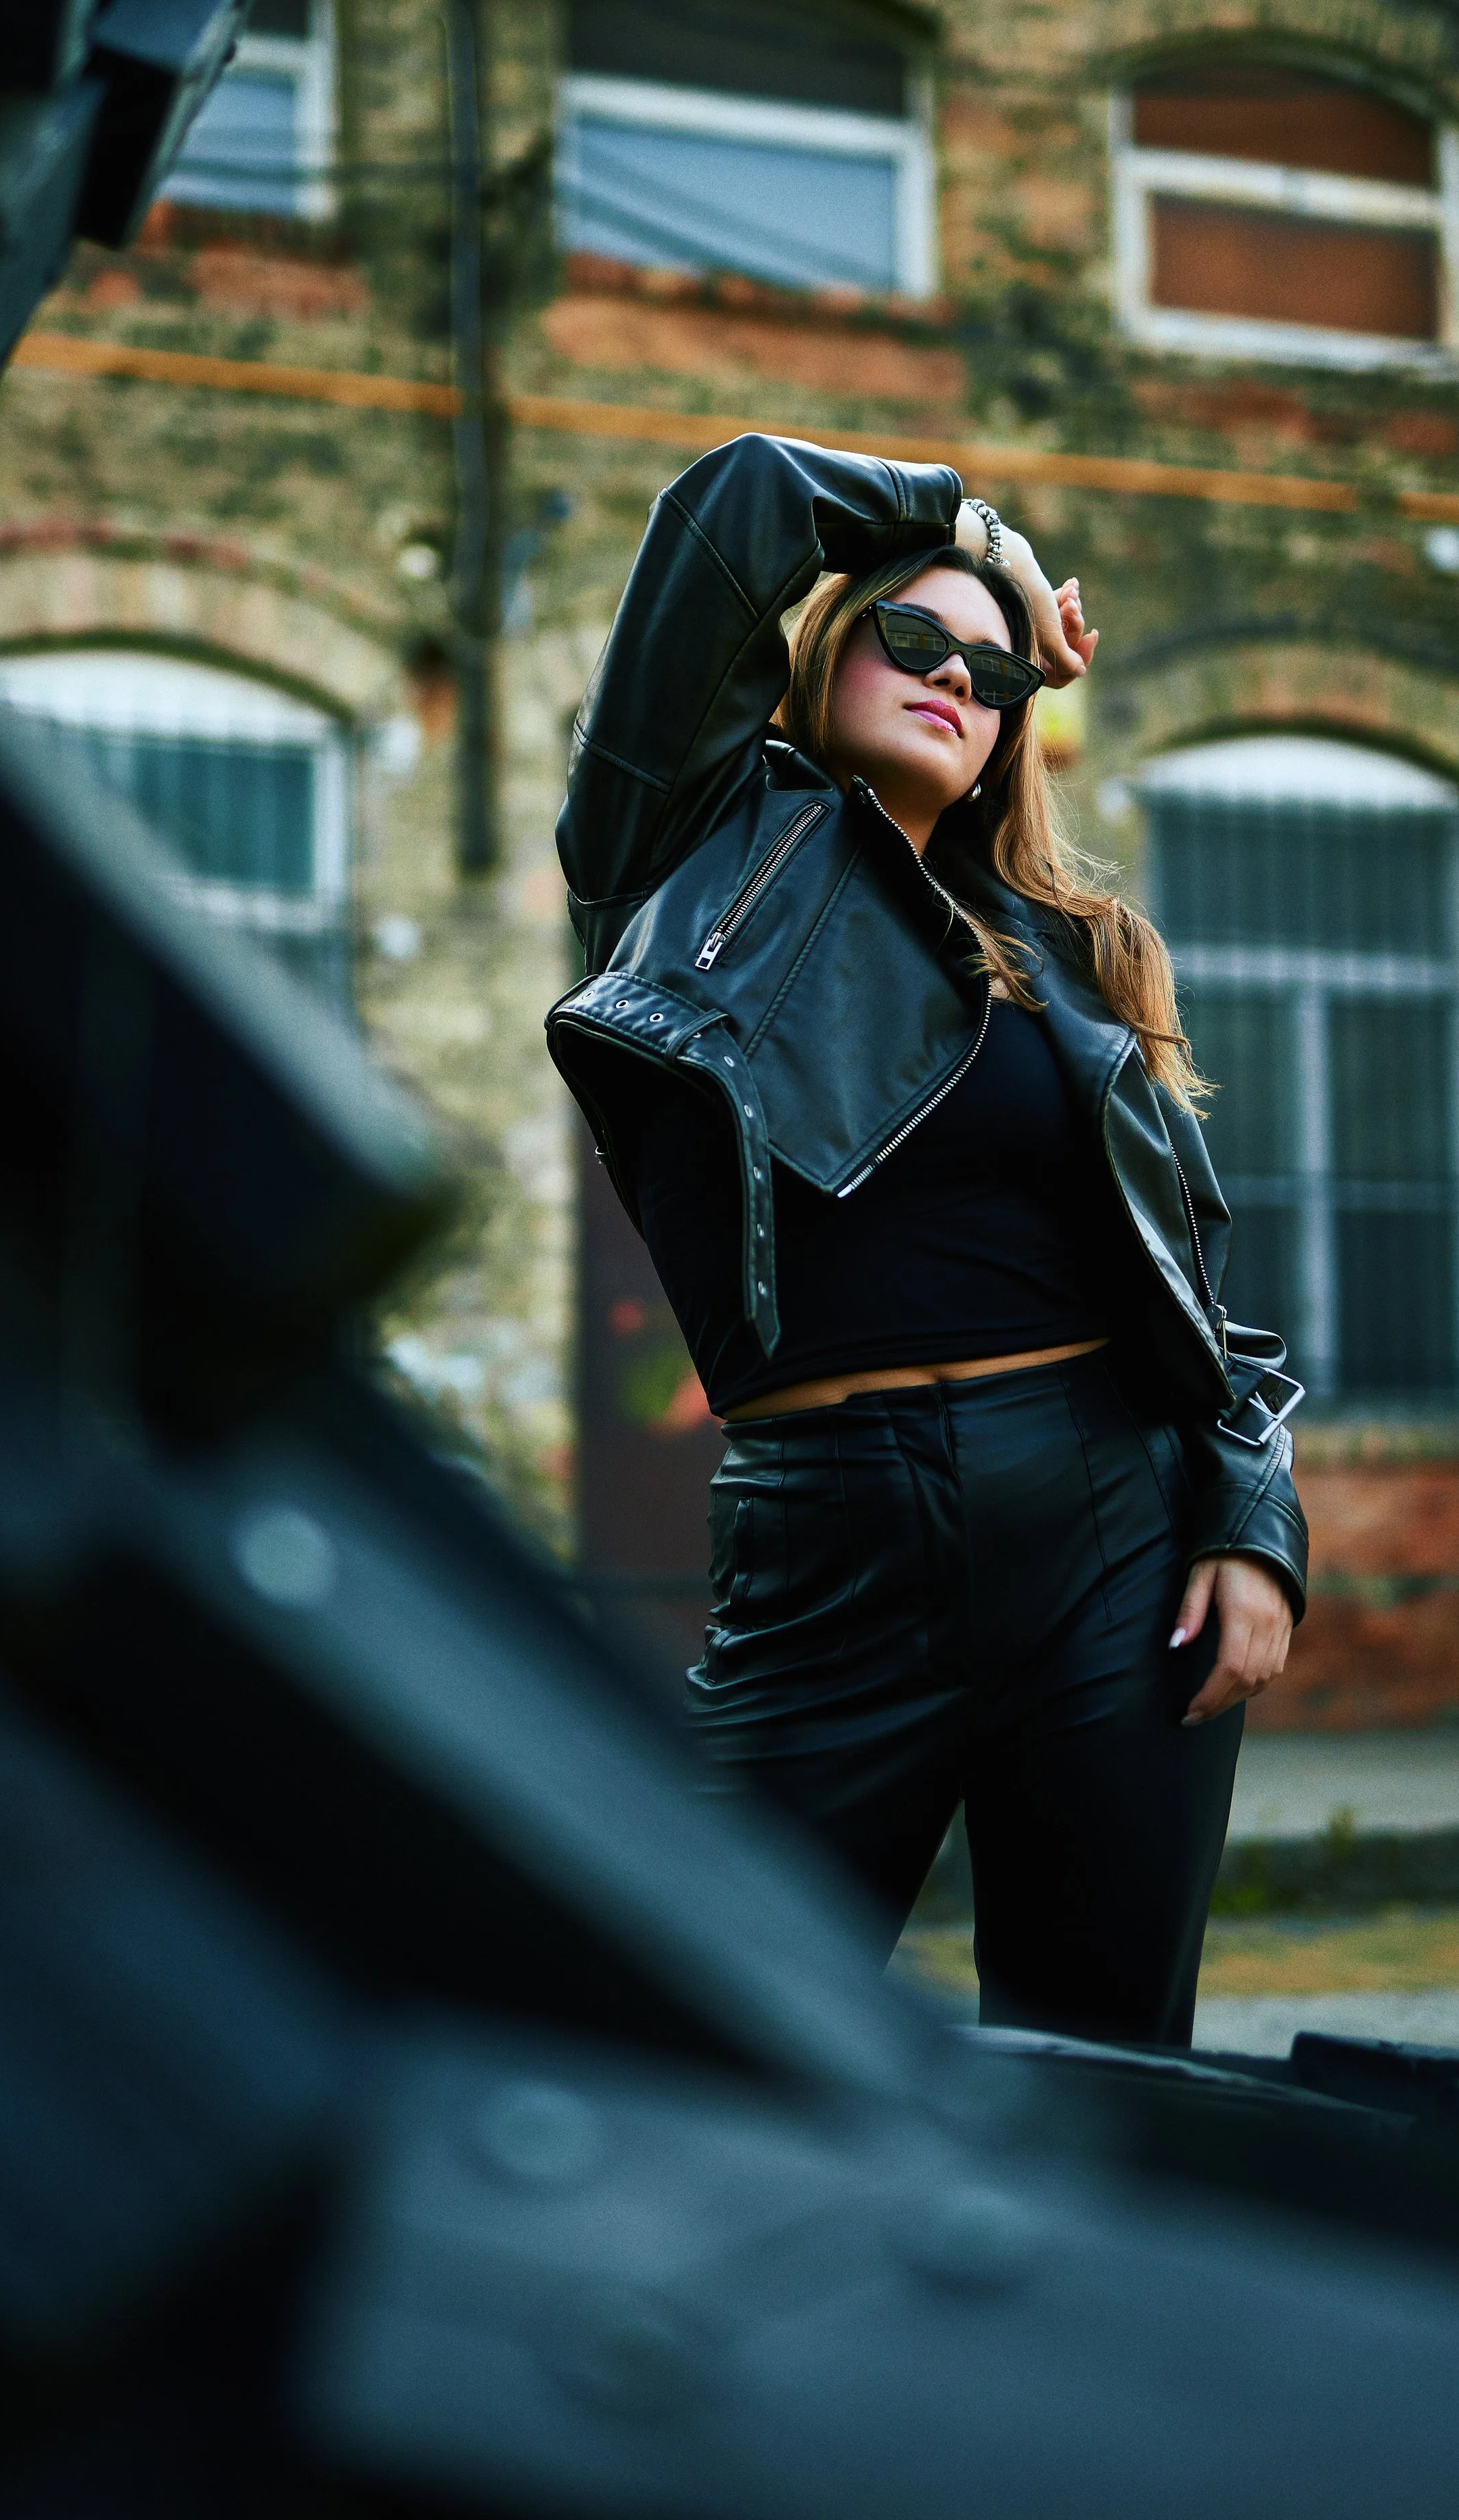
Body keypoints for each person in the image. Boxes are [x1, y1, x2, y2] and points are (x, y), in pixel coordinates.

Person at [547, 436, 1306, 2047]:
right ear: (825, 652)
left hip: (1113, 1520)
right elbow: (733, 505)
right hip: (830, 1539)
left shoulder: (1067, 957)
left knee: (1109, 2070)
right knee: (708, 2032)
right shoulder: (681, 855)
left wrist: (1249, 1515)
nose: (957, 677)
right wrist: (993, 546)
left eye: (992, 671)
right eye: (916, 638)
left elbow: (1191, 1287)